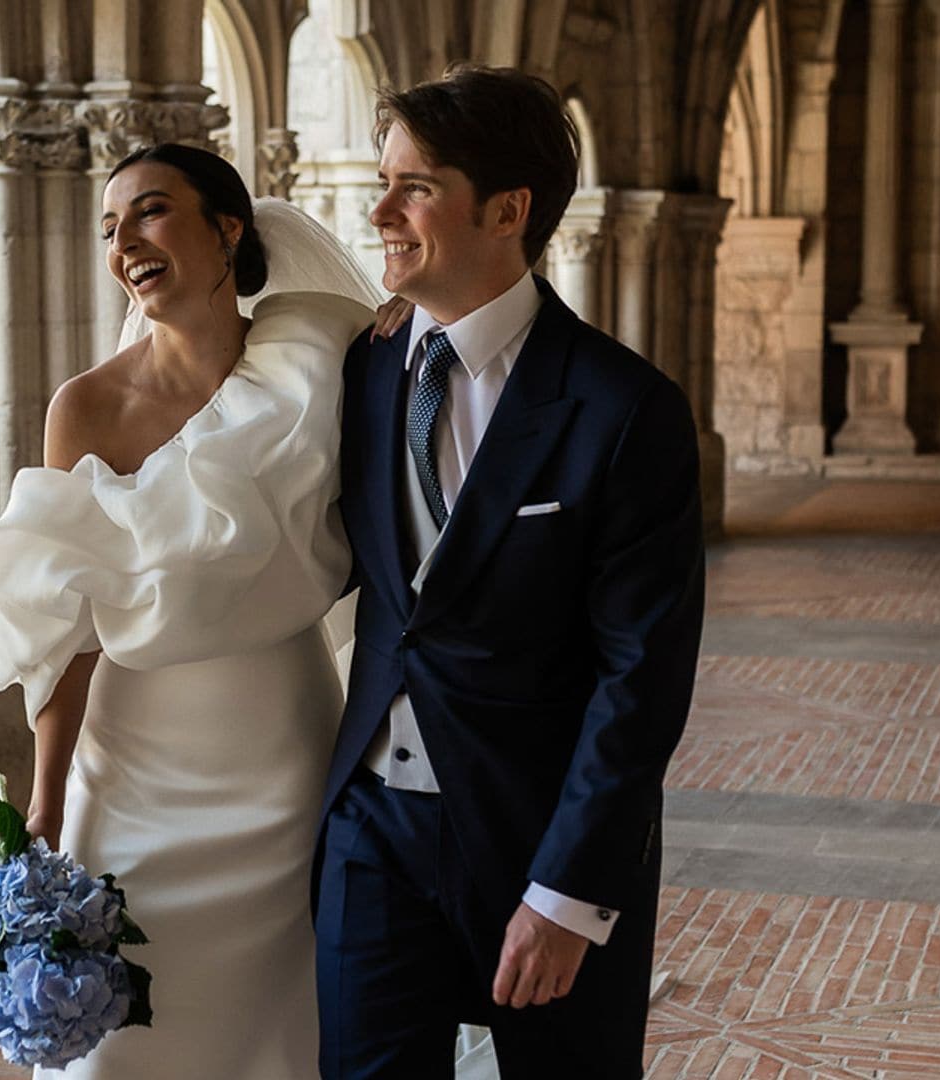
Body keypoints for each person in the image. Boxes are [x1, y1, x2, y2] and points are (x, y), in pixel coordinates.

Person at [317, 66, 706, 1079]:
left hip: (538, 841)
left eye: (414, 186)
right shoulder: (362, 366)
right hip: (370, 829)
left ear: (508, 209)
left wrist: (569, 895)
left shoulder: (625, 409)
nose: (380, 210)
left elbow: (642, 680)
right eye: (381, 179)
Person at [0, 143, 392, 1079]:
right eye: (110, 227)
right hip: (133, 767)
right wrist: (46, 799)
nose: (125, 241)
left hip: (280, 751)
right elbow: (61, 621)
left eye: (152, 212)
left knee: (275, 1019)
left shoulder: (319, 357)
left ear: (228, 231)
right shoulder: (86, 407)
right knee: (121, 1044)